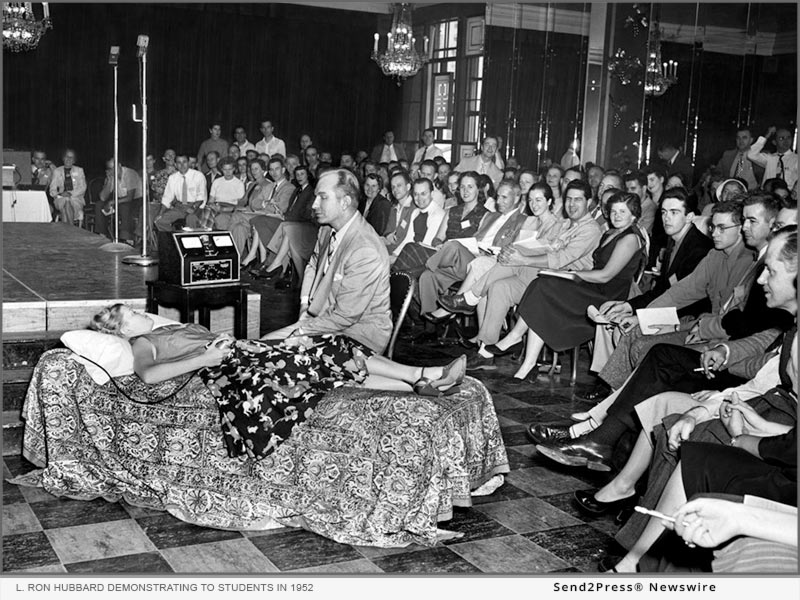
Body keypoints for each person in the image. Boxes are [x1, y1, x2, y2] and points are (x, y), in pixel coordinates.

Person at [91, 303, 468, 461]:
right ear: (123, 329)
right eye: (133, 314)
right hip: (228, 362)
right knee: (332, 350)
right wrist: (209, 356)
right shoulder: (142, 342)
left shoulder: (168, 327)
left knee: (330, 353)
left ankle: (418, 382)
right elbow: (148, 375)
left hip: (240, 349)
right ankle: (423, 376)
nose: (142, 313)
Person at [438, 179, 602, 360]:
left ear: (588, 202)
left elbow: (561, 259)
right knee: (499, 287)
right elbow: (546, 248)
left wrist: (523, 257)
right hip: (540, 277)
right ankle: (485, 351)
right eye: (569, 199)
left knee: (517, 253)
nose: (572, 204)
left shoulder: (590, 230)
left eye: (577, 200)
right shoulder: (565, 225)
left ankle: (471, 297)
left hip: (563, 284)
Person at [490, 192, 646, 382]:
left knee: (545, 287)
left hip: (606, 296)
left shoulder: (630, 238)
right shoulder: (611, 233)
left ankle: (517, 340)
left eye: (623, 211)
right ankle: (526, 361)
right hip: (592, 286)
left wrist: (571, 274)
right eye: (614, 211)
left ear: (634, 215)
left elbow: (606, 276)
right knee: (542, 283)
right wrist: (569, 273)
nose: (617, 216)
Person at [263, 169, 393, 354]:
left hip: (359, 336)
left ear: (344, 203)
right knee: (264, 345)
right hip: (325, 320)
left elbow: (345, 316)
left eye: (323, 197)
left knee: (269, 352)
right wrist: (304, 307)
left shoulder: (365, 249)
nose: (315, 204)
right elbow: (312, 266)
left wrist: (301, 330)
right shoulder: (326, 229)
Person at [418, 180, 527, 318]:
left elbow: (515, 252)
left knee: (453, 246)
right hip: (471, 258)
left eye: (504, 197)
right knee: (427, 276)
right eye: (498, 196)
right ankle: (430, 327)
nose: (499, 201)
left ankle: (425, 265)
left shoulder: (523, 221)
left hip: (490, 265)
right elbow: (476, 238)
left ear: (517, 197)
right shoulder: (490, 216)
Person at [154, 153, 207, 232]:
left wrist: (193, 208)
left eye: (184, 162)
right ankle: (174, 239)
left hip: (196, 206)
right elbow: (167, 198)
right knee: (159, 221)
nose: (182, 165)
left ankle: (190, 242)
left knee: (191, 218)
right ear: (175, 164)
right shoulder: (173, 178)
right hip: (180, 207)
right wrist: (160, 213)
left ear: (188, 162)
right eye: (179, 162)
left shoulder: (198, 176)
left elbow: (201, 196)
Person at [95, 158, 143, 244]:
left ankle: (127, 238)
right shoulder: (111, 176)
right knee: (99, 205)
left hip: (136, 200)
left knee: (124, 206)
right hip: (120, 200)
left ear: (119, 165)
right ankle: (102, 235)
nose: (113, 170)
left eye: (114, 167)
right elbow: (102, 197)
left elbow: (130, 197)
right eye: (110, 168)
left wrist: (111, 202)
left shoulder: (129, 173)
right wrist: (109, 181)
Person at [747, 125, 797, 190]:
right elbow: (751, 154)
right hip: (768, 195)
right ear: (774, 142)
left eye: (788, 137)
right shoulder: (770, 158)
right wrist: (766, 136)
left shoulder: (796, 159)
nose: (786, 141)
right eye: (781, 138)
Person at [717, 126, 763, 191]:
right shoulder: (728, 155)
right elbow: (718, 172)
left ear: (751, 140)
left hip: (751, 194)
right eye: (738, 138)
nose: (741, 141)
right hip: (731, 193)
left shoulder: (759, 157)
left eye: (744, 138)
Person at [49, 149, 87, 226]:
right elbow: (52, 190)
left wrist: (70, 194)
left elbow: (83, 187)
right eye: (67, 156)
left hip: (76, 199)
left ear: (74, 160)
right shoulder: (57, 171)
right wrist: (61, 194)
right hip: (60, 198)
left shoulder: (79, 170)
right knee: (65, 200)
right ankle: (72, 229)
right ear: (63, 158)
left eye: (71, 157)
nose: (69, 159)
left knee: (64, 209)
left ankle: (67, 232)